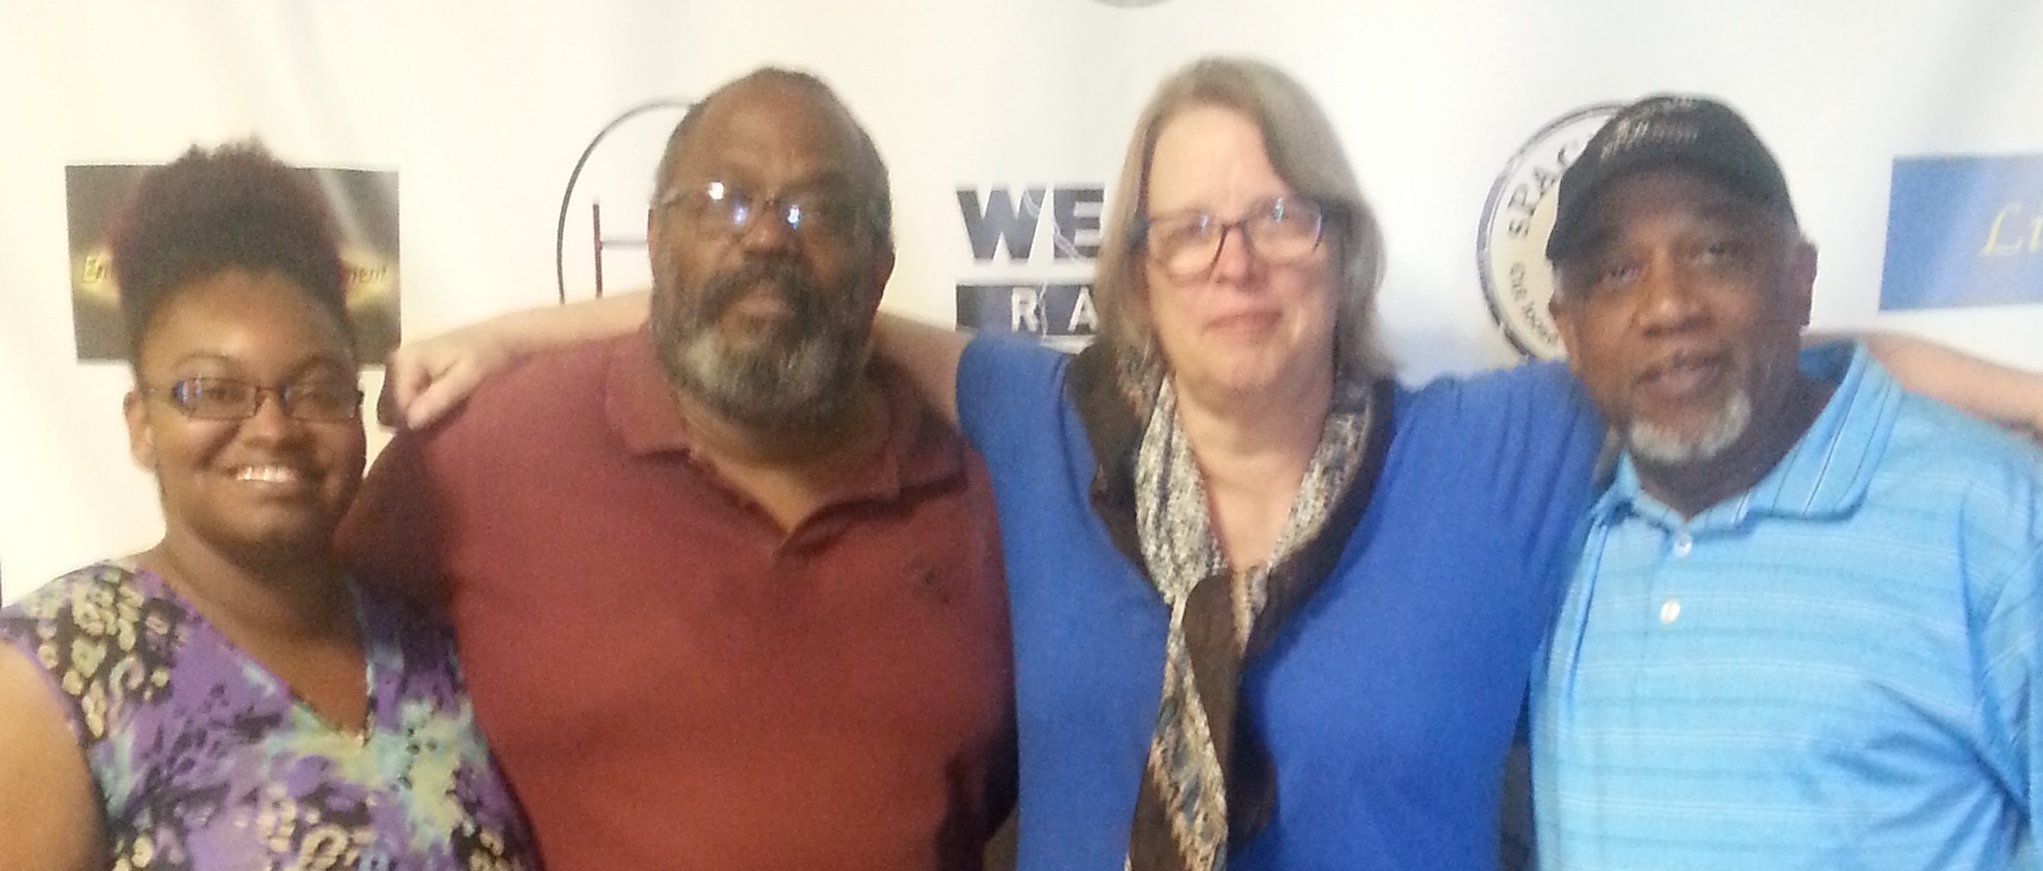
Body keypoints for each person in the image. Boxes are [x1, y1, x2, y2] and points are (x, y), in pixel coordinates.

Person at [378, 60, 2043, 871]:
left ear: (1339, 248)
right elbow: (801, 291)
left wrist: (2018, 394)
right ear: (1134, 276)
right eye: (1187, 227)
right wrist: (520, 334)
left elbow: (1740, 349)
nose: (1233, 259)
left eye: (1275, 217)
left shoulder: (1488, 451)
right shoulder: (1047, 426)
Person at [338, 68, 1015, 871]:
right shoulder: (479, 451)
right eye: (723, 200)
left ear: (878, 269)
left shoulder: (987, 495)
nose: (766, 238)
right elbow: (293, 647)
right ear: (655, 240)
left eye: (819, 211)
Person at [1531, 95, 2043, 870]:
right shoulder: (1550, 534)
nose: (1666, 305)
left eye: (1715, 252)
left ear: (1798, 280)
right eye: (1616, 271)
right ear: (1567, 330)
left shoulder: (1995, 517)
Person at [0, 144, 537, 870]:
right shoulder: (56, 670)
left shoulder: (427, 647)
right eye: (212, 390)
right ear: (142, 425)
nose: (273, 428)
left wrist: (511, 337)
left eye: (316, 389)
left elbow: (669, 323)